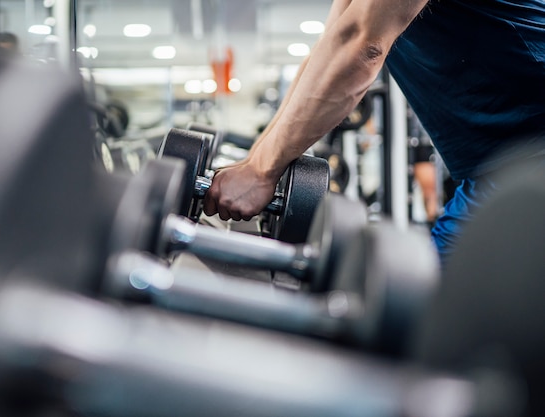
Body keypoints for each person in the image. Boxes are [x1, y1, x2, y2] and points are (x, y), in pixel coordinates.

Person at [203, 0, 545, 265]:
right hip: (500, 161)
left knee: (442, 304)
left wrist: (262, 171)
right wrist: (256, 164)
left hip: (531, 146)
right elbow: (331, 47)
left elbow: (362, 46)